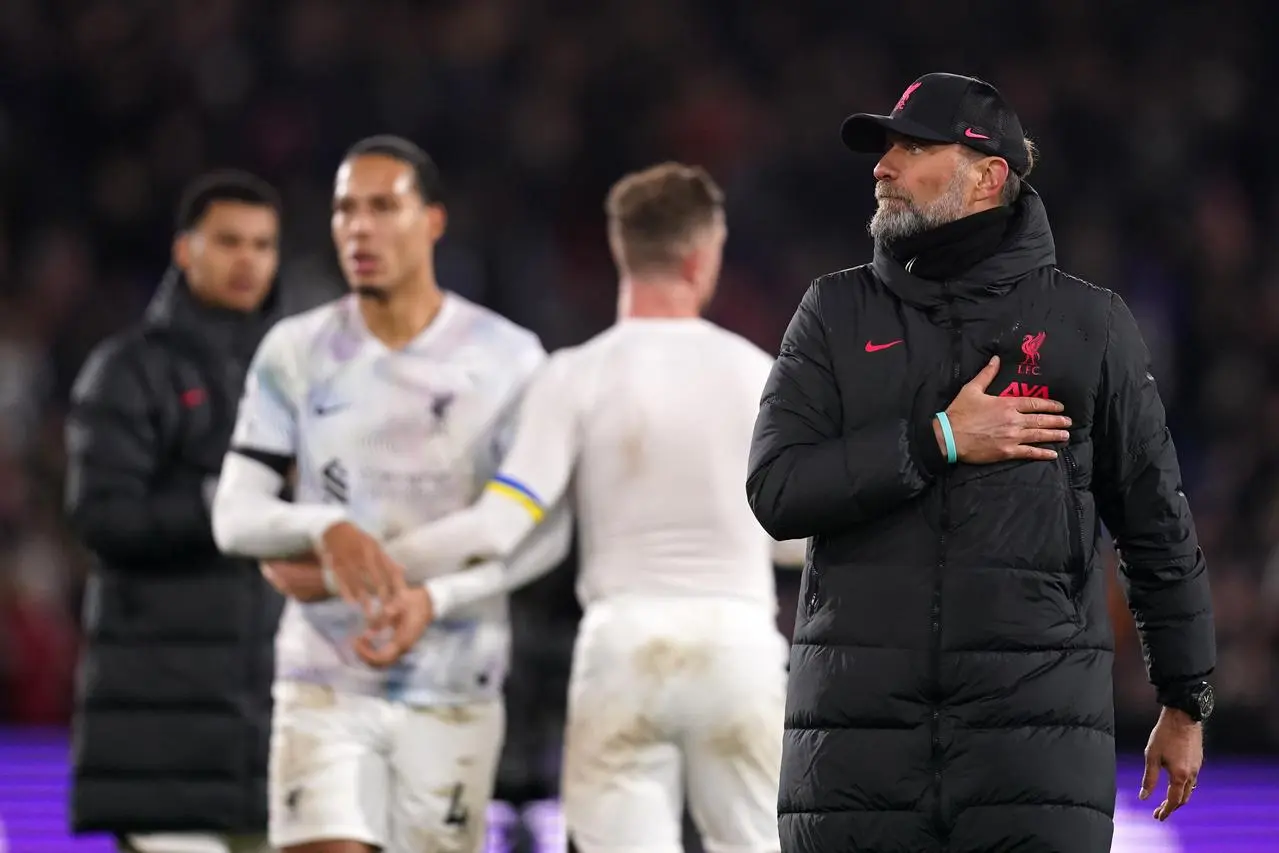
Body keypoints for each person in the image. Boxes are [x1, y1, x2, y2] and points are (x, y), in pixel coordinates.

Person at [745, 73, 1217, 853]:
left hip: (1032, 754)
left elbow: (1153, 521)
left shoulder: (1084, 323)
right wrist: (935, 439)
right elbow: (777, 490)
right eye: (883, 148)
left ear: (987, 175)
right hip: (857, 757)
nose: (881, 166)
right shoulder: (833, 312)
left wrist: (1184, 696)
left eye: (911, 146)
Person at [348, 162, 807, 853]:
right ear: (701, 254)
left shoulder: (575, 374)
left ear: (621, 248)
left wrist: (375, 554)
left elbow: (499, 525)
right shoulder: (757, 373)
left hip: (621, 647)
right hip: (737, 646)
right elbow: (790, 538)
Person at [209, 134, 571, 853]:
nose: (359, 227)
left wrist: (431, 596)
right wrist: (321, 528)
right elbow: (235, 515)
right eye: (346, 210)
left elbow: (544, 535)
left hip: (455, 683)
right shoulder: (296, 350)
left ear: (432, 220)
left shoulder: (508, 358)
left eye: (383, 207)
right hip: (322, 679)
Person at [64, 170, 285, 853]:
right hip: (160, 728)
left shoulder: (293, 375)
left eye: (262, 244)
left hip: (266, 729)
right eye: (228, 241)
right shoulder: (128, 369)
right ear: (184, 250)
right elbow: (101, 516)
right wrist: (222, 504)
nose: (247, 259)